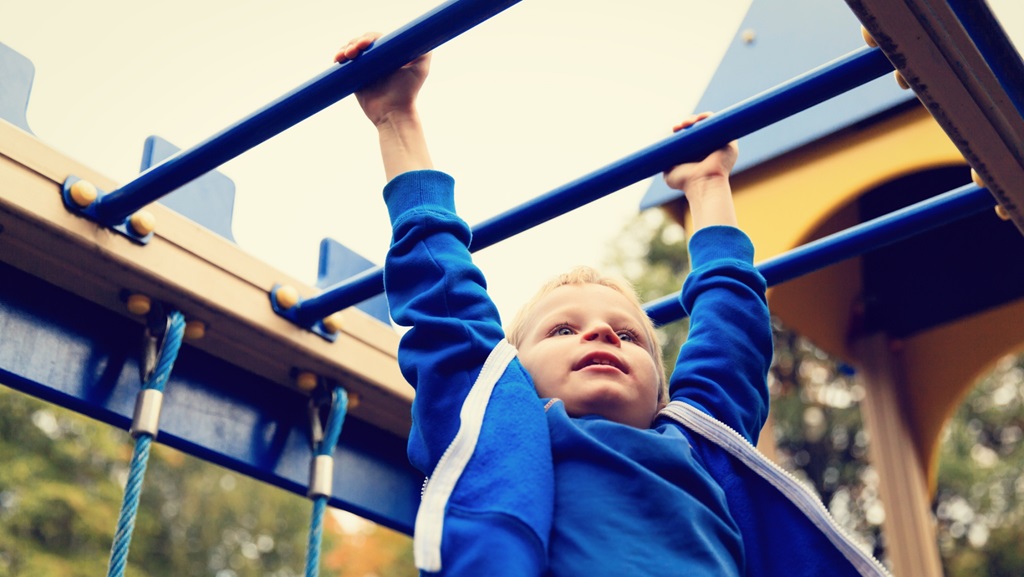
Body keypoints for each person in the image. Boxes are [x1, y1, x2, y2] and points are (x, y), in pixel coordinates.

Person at [336, 32, 889, 577]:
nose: (600, 335)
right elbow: (444, 297)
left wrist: (708, 184)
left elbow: (732, 335)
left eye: (627, 335)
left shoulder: (696, 443)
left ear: (660, 392)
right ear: (511, 372)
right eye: (561, 331)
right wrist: (396, 117)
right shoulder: (500, 422)